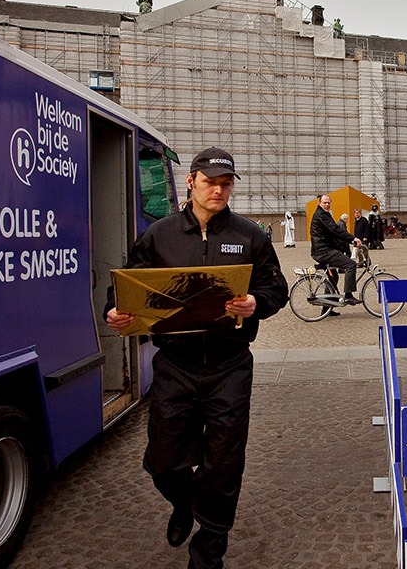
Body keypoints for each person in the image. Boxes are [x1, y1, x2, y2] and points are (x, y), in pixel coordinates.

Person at [104, 147, 287, 569]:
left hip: (230, 366)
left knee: (223, 462)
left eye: (226, 184)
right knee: (164, 462)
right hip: (176, 364)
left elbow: (275, 288)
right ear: (191, 182)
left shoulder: (250, 236)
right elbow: (127, 285)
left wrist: (257, 302)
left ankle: (208, 550)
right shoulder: (159, 235)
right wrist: (115, 310)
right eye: (210, 183)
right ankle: (184, 503)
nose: (219, 190)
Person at [310, 194, 361, 304]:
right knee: (351, 264)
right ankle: (348, 295)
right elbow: (336, 230)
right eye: (325, 202)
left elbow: (333, 232)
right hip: (323, 251)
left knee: (334, 278)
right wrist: (353, 239)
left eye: (329, 203)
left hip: (321, 250)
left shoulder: (324, 214)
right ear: (319, 203)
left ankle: (327, 308)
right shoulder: (321, 215)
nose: (327, 204)